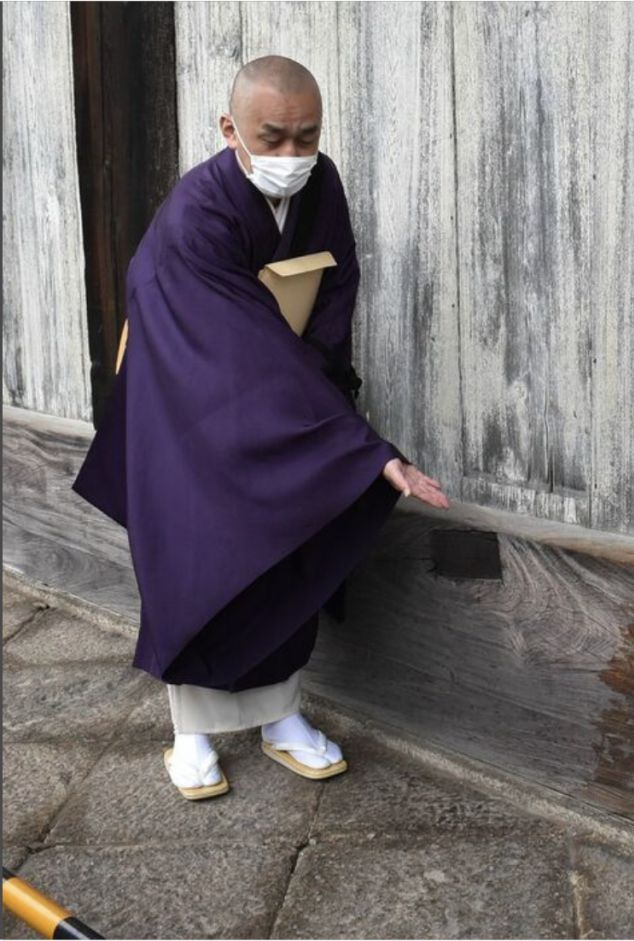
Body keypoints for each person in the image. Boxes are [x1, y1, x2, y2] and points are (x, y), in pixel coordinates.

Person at [70, 55, 451, 800]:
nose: (291, 157)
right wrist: (357, 446)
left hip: (278, 392)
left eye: (306, 137)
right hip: (183, 398)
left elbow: (335, 288)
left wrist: (329, 401)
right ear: (229, 129)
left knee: (289, 542)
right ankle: (190, 736)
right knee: (196, 557)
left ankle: (281, 715)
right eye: (272, 138)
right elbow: (234, 342)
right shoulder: (193, 218)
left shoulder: (320, 180)